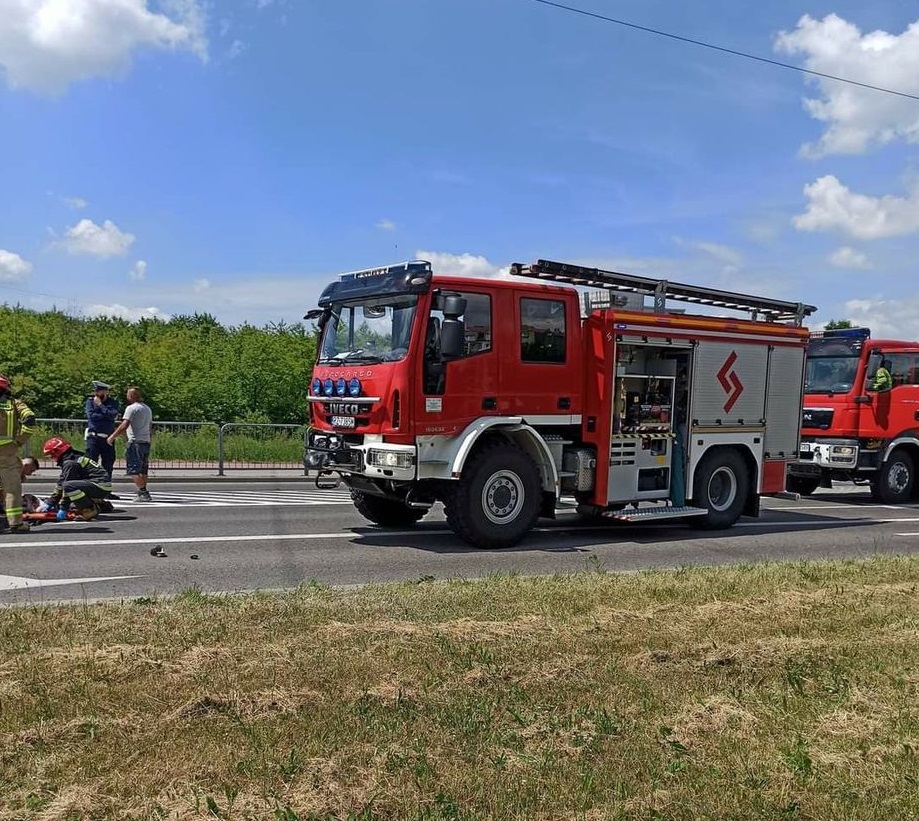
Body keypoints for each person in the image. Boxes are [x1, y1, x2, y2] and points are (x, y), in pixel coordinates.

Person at [0, 374, 38, 534]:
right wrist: (19, 441)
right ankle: (15, 524)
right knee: (12, 489)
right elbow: (30, 420)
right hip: (7, 452)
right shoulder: (15, 404)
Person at [42, 437, 113, 520]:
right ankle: (97, 504)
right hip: (99, 485)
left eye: (52, 455)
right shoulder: (72, 459)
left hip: (99, 485)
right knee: (71, 494)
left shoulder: (70, 463)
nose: (52, 458)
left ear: (57, 452)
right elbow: (61, 483)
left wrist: (63, 509)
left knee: (69, 486)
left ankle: (89, 510)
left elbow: (67, 487)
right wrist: (51, 502)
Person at [107, 386, 152, 501]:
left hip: (135, 442)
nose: (126, 396)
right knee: (143, 469)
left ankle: (143, 492)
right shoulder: (147, 408)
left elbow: (124, 424)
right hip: (145, 441)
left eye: (128, 394)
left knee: (133, 469)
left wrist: (112, 436)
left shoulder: (131, 408)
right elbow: (149, 425)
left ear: (132, 396)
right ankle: (143, 490)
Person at [84, 380, 119, 478]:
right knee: (90, 464)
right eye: (96, 391)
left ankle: (106, 488)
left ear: (105, 391)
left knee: (108, 465)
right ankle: (90, 485)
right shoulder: (90, 402)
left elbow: (112, 415)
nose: (96, 394)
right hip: (94, 437)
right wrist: (106, 414)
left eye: (99, 391)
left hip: (108, 438)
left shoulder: (112, 402)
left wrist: (100, 405)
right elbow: (92, 416)